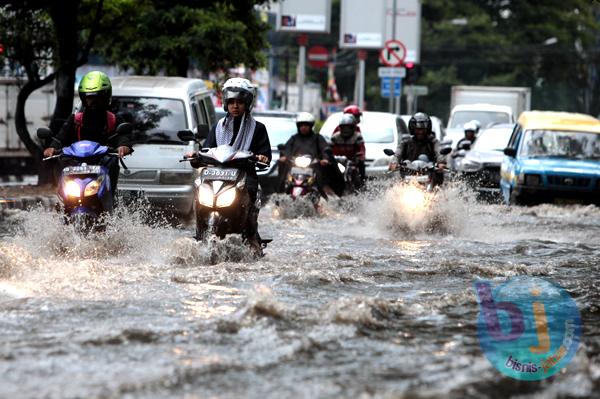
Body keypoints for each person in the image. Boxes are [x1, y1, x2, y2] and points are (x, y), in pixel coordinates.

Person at [187, 77, 271, 250]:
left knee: (251, 193)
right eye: (231, 101)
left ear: (247, 103)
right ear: (226, 102)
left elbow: (265, 155)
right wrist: (195, 155)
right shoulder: (218, 126)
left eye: (240, 102)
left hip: (244, 174)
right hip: (215, 175)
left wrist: (262, 158)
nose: (235, 106)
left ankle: (251, 237)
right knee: (199, 191)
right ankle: (199, 231)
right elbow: (207, 149)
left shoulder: (258, 128)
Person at [43, 71, 131, 194]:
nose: (93, 101)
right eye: (89, 98)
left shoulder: (114, 120)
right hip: (77, 166)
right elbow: (60, 138)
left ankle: (111, 204)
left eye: (97, 97)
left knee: (112, 168)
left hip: (103, 165)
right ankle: (63, 202)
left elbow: (123, 136)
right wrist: (52, 148)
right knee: (61, 171)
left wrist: (123, 145)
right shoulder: (75, 119)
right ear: (84, 98)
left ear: (105, 97)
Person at [278, 112, 341, 197]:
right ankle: (280, 194)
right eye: (301, 125)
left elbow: (325, 149)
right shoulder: (294, 138)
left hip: (314, 166)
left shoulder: (318, 138)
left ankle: (324, 198)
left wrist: (325, 159)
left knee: (321, 180)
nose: (303, 127)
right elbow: (287, 148)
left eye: (306, 125)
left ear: (311, 126)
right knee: (284, 178)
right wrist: (285, 156)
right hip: (294, 166)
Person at [389, 112, 445, 184]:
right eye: (418, 129)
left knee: (439, 185)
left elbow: (439, 152)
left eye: (423, 129)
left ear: (427, 128)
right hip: (408, 175)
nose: (420, 132)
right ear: (413, 129)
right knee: (395, 187)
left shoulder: (433, 142)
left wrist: (441, 162)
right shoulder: (405, 142)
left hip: (430, 176)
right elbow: (398, 153)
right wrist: (394, 162)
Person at [330, 113, 366, 186]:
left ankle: (362, 182)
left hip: (352, 161)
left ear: (353, 127)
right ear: (340, 127)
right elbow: (328, 148)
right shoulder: (335, 136)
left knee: (361, 164)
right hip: (338, 161)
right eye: (344, 127)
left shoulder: (357, 136)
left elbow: (362, 148)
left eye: (348, 127)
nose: (346, 130)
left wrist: (360, 156)